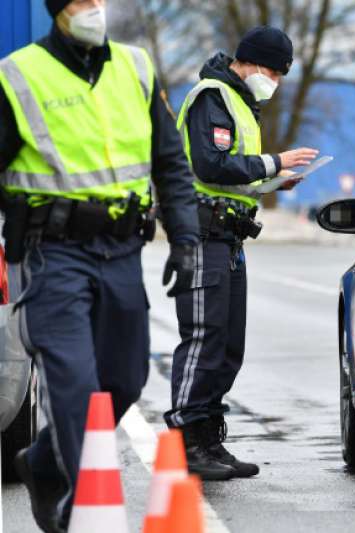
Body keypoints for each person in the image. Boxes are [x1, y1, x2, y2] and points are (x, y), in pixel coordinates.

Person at [0, 0, 200, 530]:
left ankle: (45, 462)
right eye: (82, 1)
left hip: (120, 251)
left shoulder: (135, 66)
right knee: (75, 385)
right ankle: (78, 508)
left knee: (126, 378)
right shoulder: (19, 76)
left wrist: (185, 238)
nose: (95, 10)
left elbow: (170, 161)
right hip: (51, 255)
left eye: (99, 0)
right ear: (58, 9)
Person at [164, 26, 318, 480]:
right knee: (203, 339)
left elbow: (231, 172)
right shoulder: (212, 96)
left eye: (281, 73)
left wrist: (271, 182)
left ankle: (209, 438)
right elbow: (209, 164)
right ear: (247, 61)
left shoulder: (240, 104)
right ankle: (186, 440)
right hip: (201, 234)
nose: (274, 79)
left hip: (227, 237)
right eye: (271, 69)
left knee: (229, 346)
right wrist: (275, 162)